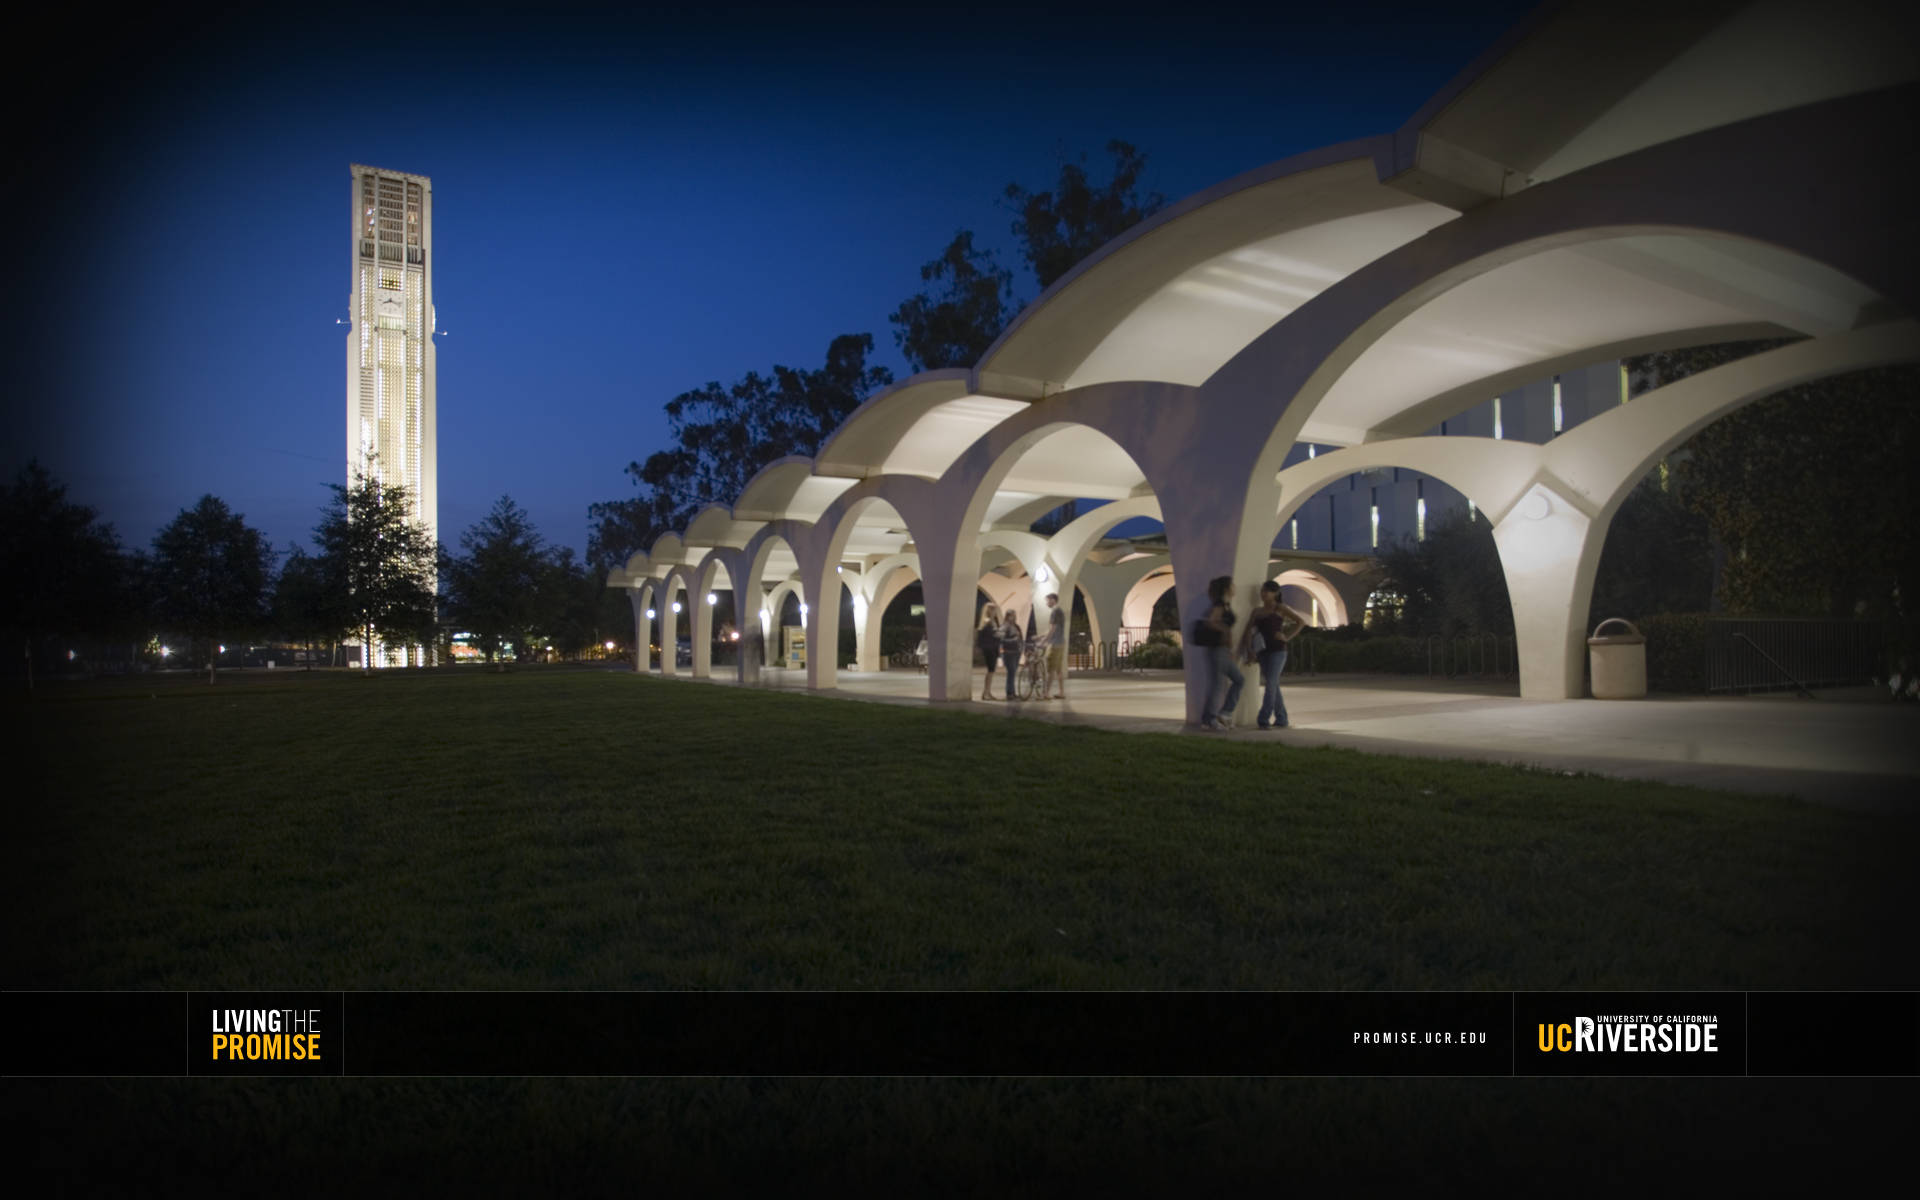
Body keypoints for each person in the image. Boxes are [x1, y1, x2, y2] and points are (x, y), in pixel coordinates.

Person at [1239, 581, 1310, 729]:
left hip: (1278, 650)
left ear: (1276, 593)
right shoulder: (1257, 611)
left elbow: (1300, 622)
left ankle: (1263, 718)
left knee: (1270, 684)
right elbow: (1248, 631)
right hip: (1263, 651)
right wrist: (1250, 650)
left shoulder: (1280, 608)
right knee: (1274, 685)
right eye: (1263, 591)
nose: (1264, 594)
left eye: (1268, 591)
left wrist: (1286, 637)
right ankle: (1282, 718)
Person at [1195, 574, 1243, 731]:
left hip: (1223, 651)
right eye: (1232, 585)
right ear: (1227, 588)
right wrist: (1224, 629)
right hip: (1216, 650)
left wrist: (1230, 647)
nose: (1235, 588)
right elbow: (1211, 621)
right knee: (1217, 686)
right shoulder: (1219, 605)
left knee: (1239, 680)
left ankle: (1224, 713)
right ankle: (1208, 720)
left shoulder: (1226, 605)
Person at [1041, 592, 1068, 699]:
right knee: (1058, 669)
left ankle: (1046, 693)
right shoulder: (1060, 611)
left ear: (1053, 600)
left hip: (1054, 644)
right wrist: (1041, 636)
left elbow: (1053, 629)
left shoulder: (1055, 612)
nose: (1047, 603)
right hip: (1061, 643)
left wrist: (1044, 641)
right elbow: (1055, 629)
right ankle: (1061, 692)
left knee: (1051, 670)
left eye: (1047, 600)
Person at [977, 603, 1003, 699]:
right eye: (994, 610)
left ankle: (987, 692)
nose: (995, 612)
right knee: (990, 671)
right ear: (989, 610)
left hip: (992, 648)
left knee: (991, 671)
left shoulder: (990, 621)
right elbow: (994, 634)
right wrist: (1000, 634)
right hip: (990, 649)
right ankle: (986, 693)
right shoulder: (988, 621)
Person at [998, 608, 1024, 700]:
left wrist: (1021, 648)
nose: (1012, 617)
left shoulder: (1016, 626)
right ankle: (1009, 693)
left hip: (1016, 653)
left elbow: (1020, 638)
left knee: (1013, 673)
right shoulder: (1004, 626)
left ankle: (1013, 692)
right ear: (1007, 616)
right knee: (1011, 673)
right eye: (1010, 615)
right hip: (1008, 653)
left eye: (1014, 615)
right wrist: (1012, 641)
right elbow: (1001, 640)